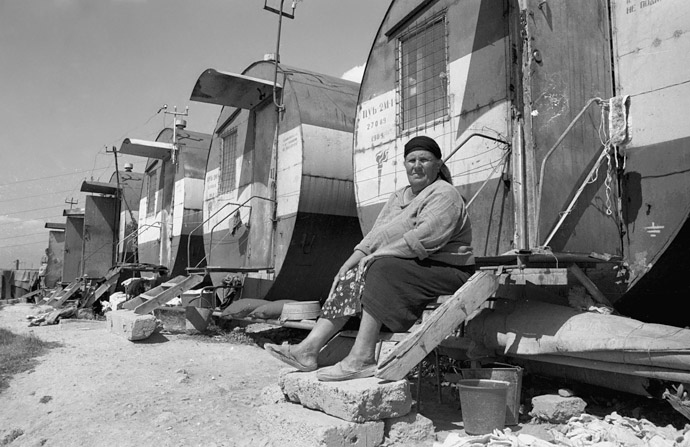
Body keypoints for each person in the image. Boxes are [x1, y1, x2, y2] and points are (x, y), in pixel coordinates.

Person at [264, 135, 474, 381]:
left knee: (380, 266)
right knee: (354, 272)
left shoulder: (444, 194)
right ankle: (308, 350)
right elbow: (376, 236)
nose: (417, 166)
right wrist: (346, 266)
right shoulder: (399, 197)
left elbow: (425, 238)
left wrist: (377, 255)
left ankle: (362, 358)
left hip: (447, 268)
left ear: (438, 164)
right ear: (404, 165)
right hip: (415, 266)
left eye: (424, 160)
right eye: (411, 160)